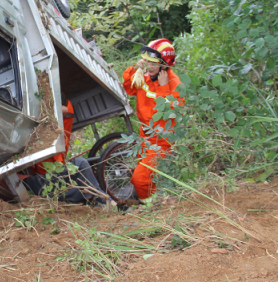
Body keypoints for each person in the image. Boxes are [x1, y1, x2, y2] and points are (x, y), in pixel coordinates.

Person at [22, 94, 110, 205]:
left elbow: (64, 110)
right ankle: (103, 201)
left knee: (80, 166)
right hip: (39, 178)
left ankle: (104, 201)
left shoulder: (58, 109)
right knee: (80, 167)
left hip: (47, 171)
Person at [123, 38, 181, 203]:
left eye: (152, 63)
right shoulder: (147, 76)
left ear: (164, 65)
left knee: (140, 180)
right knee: (149, 179)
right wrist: (136, 68)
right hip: (145, 136)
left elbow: (171, 114)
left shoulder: (174, 83)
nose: (148, 66)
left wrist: (163, 88)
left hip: (162, 142)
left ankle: (151, 209)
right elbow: (129, 87)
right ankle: (155, 202)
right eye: (146, 61)